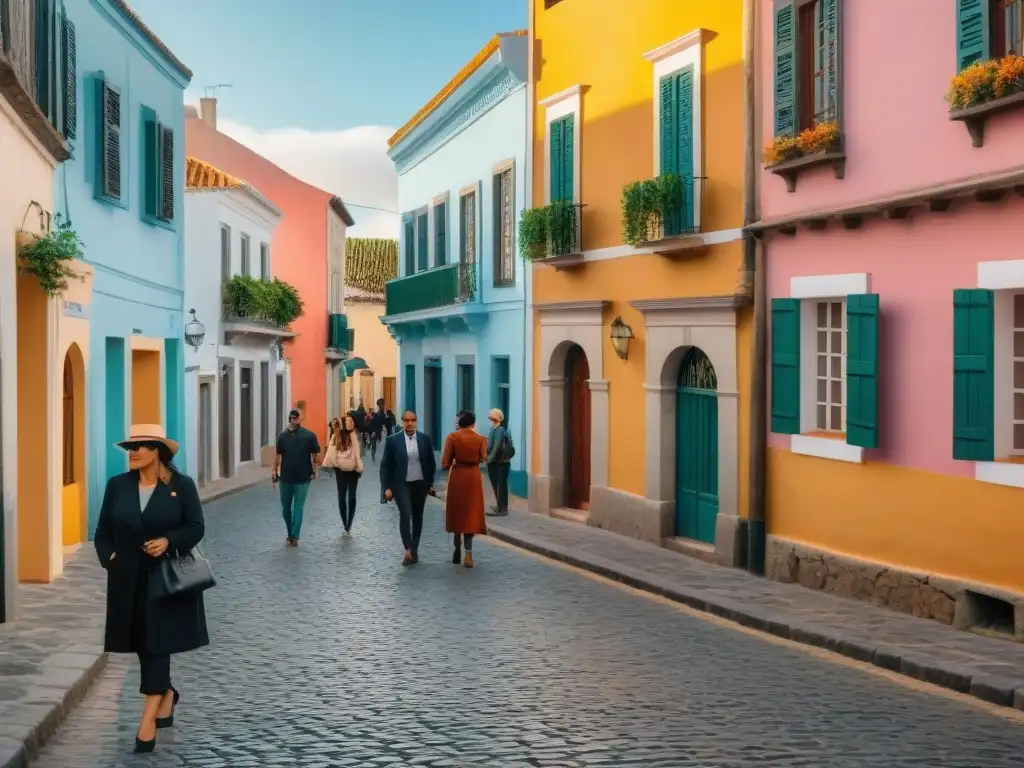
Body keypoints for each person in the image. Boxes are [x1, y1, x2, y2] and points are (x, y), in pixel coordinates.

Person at [93, 424, 208, 754]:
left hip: (165, 579)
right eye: (130, 446)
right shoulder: (118, 486)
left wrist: (169, 541)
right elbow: (102, 532)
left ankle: (146, 721)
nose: (132, 452)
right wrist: (109, 557)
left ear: (158, 452)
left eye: (140, 446)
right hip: (127, 578)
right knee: (144, 643)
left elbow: (196, 527)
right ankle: (167, 693)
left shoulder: (180, 486)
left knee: (157, 643)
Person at [379, 410, 436, 566]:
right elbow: (386, 466)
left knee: (418, 517)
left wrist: (429, 484)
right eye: (406, 420)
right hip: (401, 484)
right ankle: (408, 549)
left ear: (416, 421)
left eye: (413, 420)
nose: (409, 423)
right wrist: (386, 488)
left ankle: (415, 549)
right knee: (405, 514)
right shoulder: (393, 441)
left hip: (419, 484)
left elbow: (431, 463)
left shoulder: (425, 439)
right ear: (402, 422)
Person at [441, 410, 488, 567]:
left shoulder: (452, 437)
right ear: (473, 424)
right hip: (473, 477)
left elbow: (445, 462)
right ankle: (469, 553)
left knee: (457, 512)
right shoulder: (481, 438)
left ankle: (457, 547)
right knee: (470, 514)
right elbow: (484, 457)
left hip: (458, 476)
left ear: (459, 423)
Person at [273, 409, 320, 547]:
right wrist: (274, 470)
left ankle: (294, 536)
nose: (293, 421)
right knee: (287, 508)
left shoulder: (309, 436)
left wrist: (316, 469)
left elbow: (315, 455)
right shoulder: (282, 437)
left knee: (296, 507)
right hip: (286, 478)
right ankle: (291, 534)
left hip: (302, 477)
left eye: (295, 418)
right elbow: (278, 455)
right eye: (292, 419)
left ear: (299, 419)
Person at [330, 415, 363, 534]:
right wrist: (359, 468)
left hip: (346, 470)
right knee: (347, 497)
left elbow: (357, 454)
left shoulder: (348, 436)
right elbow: (357, 454)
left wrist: (336, 466)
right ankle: (347, 522)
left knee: (346, 497)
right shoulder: (343, 436)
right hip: (346, 470)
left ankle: (347, 522)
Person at [486, 408, 512, 517]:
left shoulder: (499, 430)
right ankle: (499, 505)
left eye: (490, 418)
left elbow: (496, 447)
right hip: (497, 462)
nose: (489, 420)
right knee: (497, 484)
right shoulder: (494, 429)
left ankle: (503, 508)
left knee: (500, 485)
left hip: (500, 462)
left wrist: (489, 459)